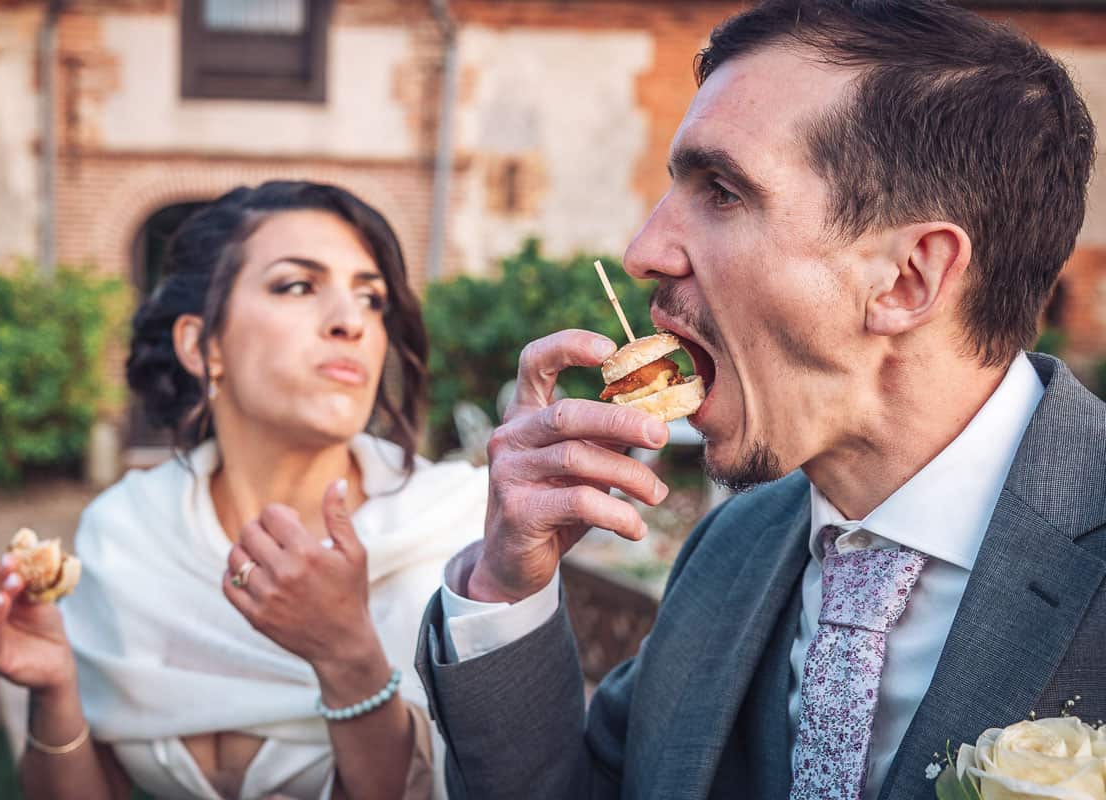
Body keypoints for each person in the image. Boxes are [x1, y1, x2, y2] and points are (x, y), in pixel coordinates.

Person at [414, 2, 1106, 799]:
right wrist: (506, 590)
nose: (644, 251)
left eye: (723, 191)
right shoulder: (731, 547)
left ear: (909, 277)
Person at [0, 181, 487, 800]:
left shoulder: (456, 532)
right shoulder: (127, 531)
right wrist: (57, 690)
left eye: (371, 298)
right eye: (297, 286)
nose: (352, 322)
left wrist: (348, 659)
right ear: (201, 345)